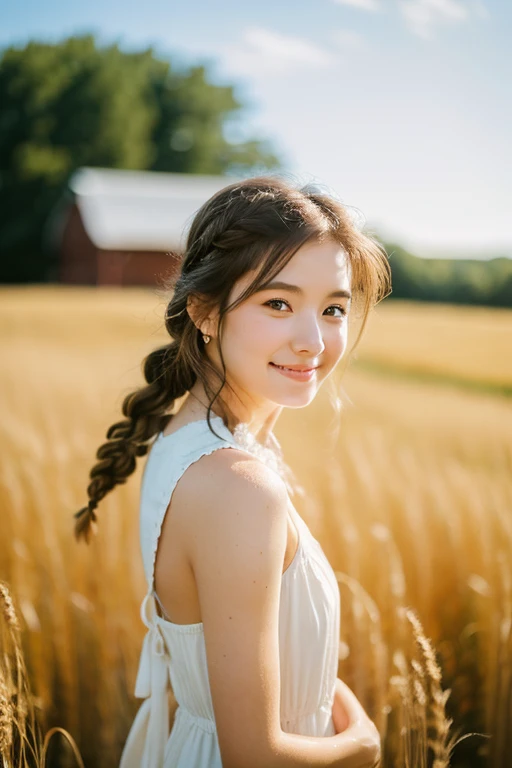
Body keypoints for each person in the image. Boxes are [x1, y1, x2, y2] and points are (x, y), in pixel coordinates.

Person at [74, 175, 391, 767]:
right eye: (278, 303)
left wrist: (324, 695)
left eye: (332, 309)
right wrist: (363, 745)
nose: (312, 340)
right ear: (205, 312)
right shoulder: (237, 486)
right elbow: (255, 754)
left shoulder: (194, 443)